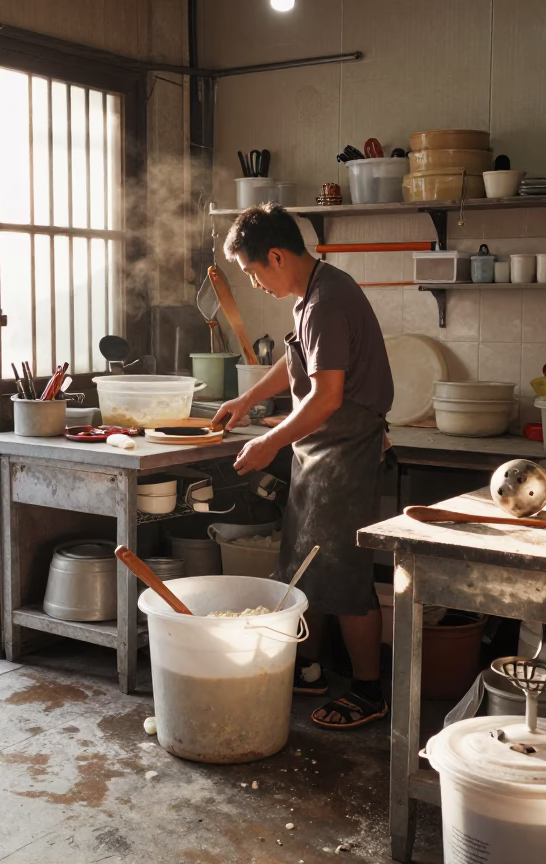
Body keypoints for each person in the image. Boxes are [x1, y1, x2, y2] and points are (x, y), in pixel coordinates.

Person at [213, 203, 394, 730]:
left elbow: (327, 398)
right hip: (321, 451)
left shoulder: (326, 302)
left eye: (251, 272)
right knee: (305, 566)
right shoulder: (313, 294)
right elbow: (298, 363)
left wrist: (269, 442)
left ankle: (367, 692)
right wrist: (247, 401)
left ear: (275, 255)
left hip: (344, 451)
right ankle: (309, 669)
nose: (253, 283)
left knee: (343, 575)